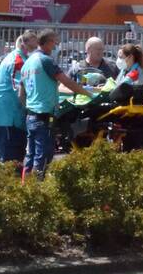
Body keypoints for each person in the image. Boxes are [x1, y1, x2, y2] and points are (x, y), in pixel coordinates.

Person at [19, 29, 94, 179]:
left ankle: (25, 189)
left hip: (31, 116)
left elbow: (21, 93)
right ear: (47, 42)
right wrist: (88, 94)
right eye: (55, 42)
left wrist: (29, 107)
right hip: (44, 116)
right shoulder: (46, 61)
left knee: (31, 155)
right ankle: (36, 191)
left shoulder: (27, 63)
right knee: (43, 156)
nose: (56, 46)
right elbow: (66, 81)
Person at [0, 31, 37, 163]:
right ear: (25, 44)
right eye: (34, 45)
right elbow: (21, 90)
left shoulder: (14, 58)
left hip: (5, 117)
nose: (36, 49)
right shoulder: (18, 61)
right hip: (6, 118)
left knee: (13, 162)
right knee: (11, 164)